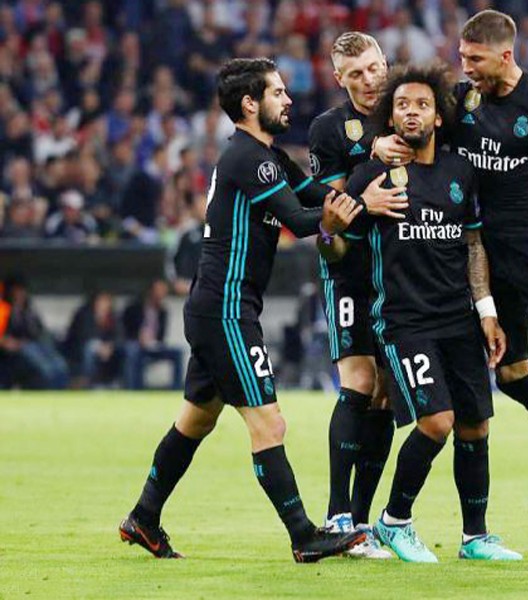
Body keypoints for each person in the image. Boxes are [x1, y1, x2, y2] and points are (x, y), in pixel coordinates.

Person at [118, 57, 401, 563]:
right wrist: (357, 210)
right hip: (226, 310)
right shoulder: (249, 159)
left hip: (219, 306)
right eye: (277, 92)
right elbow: (300, 217)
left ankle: (144, 517)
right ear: (250, 104)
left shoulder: (265, 155)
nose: (288, 99)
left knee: (195, 422)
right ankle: (303, 535)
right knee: (269, 425)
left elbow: (320, 194)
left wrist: (361, 194)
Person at [373, 8, 528, 515]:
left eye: (475, 58)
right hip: (483, 254)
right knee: (513, 376)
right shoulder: (464, 101)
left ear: (506, 56)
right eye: (462, 57)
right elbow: (409, 116)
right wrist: (376, 142)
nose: (465, 66)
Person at [320, 63, 521, 562]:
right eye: (403, 105)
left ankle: (475, 537)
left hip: (459, 317)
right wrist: (330, 228)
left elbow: (473, 243)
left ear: (438, 116)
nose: (412, 112)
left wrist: (487, 310)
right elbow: (339, 251)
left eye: (422, 105)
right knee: (437, 421)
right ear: (391, 117)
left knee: (475, 425)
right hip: (406, 322)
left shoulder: (459, 172)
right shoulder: (372, 177)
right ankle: (395, 520)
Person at [306, 32, 402, 558]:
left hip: (402, 275)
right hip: (350, 269)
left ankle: (362, 525)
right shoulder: (328, 129)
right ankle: (337, 513)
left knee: (387, 391)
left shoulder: (410, 107)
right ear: (339, 79)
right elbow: (334, 216)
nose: (370, 80)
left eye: (374, 67)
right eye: (356, 74)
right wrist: (371, 152)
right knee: (359, 381)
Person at [121, 279, 183, 390]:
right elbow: (126, 330)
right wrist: (139, 337)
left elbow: (162, 335)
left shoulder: (163, 312)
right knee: (133, 351)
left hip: (154, 345)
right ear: (151, 291)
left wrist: (154, 341)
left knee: (178, 352)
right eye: (159, 291)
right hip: (136, 344)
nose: (162, 295)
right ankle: (135, 389)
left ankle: (176, 388)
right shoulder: (134, 308)